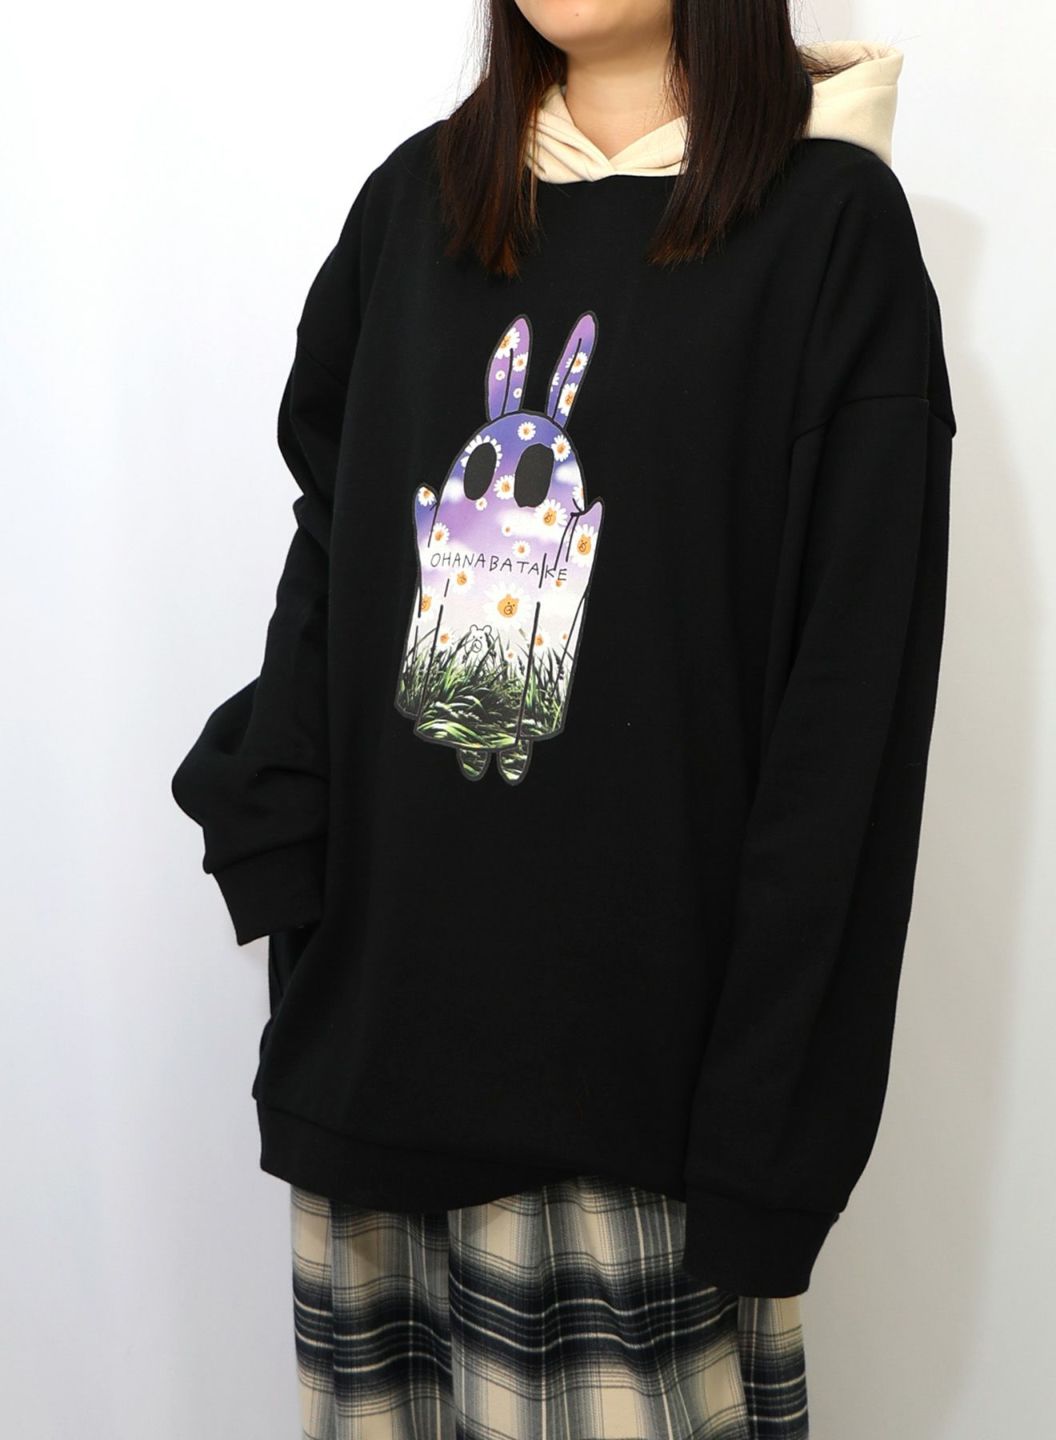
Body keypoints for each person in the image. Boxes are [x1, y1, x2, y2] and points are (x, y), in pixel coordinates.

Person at [170, 1, 955, 1434]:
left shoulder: (830, 228)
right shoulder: (414, 207)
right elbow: (334, 537)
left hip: (646, 1115)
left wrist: (770, 1137)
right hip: (378, 1065)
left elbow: (850, 717)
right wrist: (281, 845)